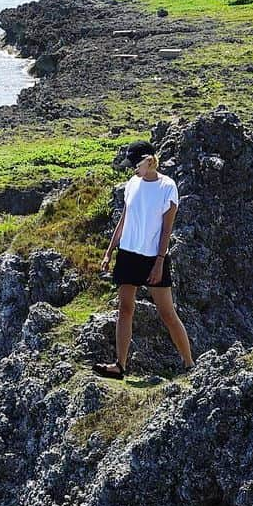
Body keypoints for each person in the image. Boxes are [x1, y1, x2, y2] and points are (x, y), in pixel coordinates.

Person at [94, 140, 195, 379]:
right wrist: (109, 251)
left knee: (167, 313)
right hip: (128, 254)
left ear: (149, 161)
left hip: (153, 258)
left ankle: (190, 366)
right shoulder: (132, 183)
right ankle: (120, 365)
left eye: (135, 164)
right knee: (125, 308)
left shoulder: (167, 187)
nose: (133, 169)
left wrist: (160, 262)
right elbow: (124, 219)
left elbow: (166, 230)